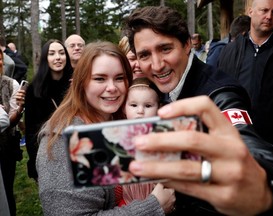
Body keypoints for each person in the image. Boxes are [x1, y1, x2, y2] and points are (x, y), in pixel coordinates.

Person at [123, 5, 273, 215]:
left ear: (186, 45)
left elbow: (246, 140)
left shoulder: (219, 93)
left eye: (165, 49)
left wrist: (264, 184)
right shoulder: (159, 88)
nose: (156, 65)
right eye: (145, 55)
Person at [36, 41, 175, 216]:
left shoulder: (118, 120)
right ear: (81, 83)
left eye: (119, 78)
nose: (112, 88)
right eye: (99, 78)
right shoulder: (61, 140)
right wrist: (154, 207)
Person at [217, 0, 273, 161]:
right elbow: (221, 95)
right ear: (250, 12)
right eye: (264, 10)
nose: (269, 16)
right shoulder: (230, 51)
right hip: (235, 144)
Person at [24, 39, 73, 182]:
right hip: (49, 153)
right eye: (52, 54)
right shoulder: (34, 89)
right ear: (46, 59)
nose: (58, 57)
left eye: (61, 53)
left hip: (75, 149)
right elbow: (31, 130)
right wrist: (35, 162)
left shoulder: (75, 83)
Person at [0, 48, 25, 216]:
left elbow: (12, 120)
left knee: (6, 191)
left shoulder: (10, 84)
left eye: (0, 59)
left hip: (5, 147)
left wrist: (20, 108)